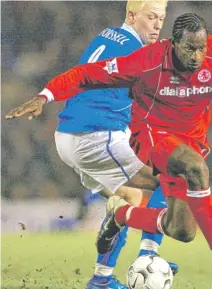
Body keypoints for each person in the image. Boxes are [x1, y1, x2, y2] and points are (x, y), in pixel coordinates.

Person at [6, 12, 212, 285]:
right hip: (150, 135)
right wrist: (46, 95)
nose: (196, 57)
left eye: (201, 49)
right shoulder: (147, 61)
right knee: (195, 167)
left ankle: (120, 216)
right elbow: (88, 75)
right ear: (172, 44)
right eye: (189, 49)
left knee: (182, 229)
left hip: (191, 140)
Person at [6, 1, 180, 289]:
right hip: (98, 135)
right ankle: (149, 256)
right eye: (152, 17)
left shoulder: (109, 35)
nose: (158, 24)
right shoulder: (136, 51)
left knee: (129, 199)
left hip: (70, 135)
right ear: (132, 15)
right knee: (173, 177)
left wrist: (45, 96)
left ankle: (101, 279)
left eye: (161, 18)